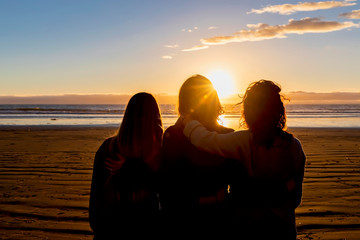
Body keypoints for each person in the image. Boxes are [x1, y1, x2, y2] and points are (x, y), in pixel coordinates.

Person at [183, 80, 306, 239]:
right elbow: (295, 198)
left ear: (248, 111)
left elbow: (205, 140)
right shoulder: (294, 147)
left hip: (249, 226)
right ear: (279, 111)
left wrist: (188, 121)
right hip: (283, 228)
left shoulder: (243, 141)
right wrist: (279, 190)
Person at [158, 75, 244, 237]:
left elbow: (165, 185)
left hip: (183, 218)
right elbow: (239, 188)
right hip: (217, 217)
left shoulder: (174, 135)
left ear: (183, 104)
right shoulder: (228, 136)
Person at [89, 92, 163, 239]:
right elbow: (165, 187)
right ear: (155, 117)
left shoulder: (108, 147)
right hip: (146, 227)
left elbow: (96, 193)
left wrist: (97, 227)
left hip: (110, 227)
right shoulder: (160, 150)